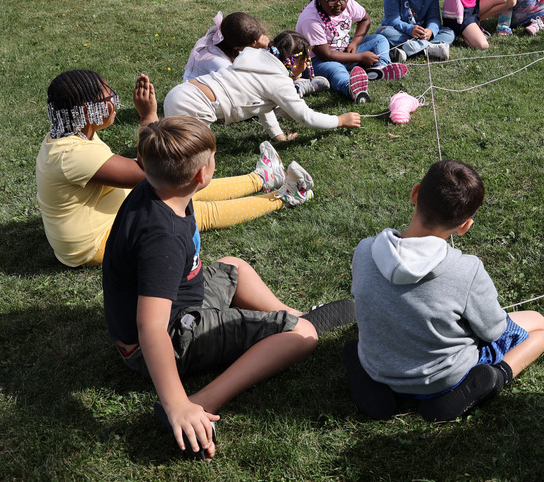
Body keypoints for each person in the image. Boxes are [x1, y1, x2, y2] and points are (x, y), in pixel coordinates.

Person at [102, 116, 355, 459]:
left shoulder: (157, 189)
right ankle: (200, 402)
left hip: (182, 303)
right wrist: (177, 404)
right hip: (170, 338)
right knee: (304, 337)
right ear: (200, 175)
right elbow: (151, 327)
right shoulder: (162, 238)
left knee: (235, 266)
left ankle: (294, 315)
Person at [36, 70, 310, 268]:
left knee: (185, 186)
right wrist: (147, 117)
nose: (114, 101)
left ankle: (260, 179)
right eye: (109, 96)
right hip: (93, 243)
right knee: (185, 203)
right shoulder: (73, 154)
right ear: (87, 110)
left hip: (111, 218)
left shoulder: (74, 135)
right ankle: (283, 197)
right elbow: (153, 174)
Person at [345, 159, 544, 422]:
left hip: (379, 368)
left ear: (415, 193)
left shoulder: (365, 249)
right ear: (465, 226)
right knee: (539, 325)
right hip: (443, 378)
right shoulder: (467, 271)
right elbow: (493, 331)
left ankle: (373, 384)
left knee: (359, 344)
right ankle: (494, 378)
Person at [164, 30, 361, 141]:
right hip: (196, 105)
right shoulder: (279, 82)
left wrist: (279, 137)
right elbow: (305, 117)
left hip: (181, 93)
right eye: (306, 61)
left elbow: (263, 105)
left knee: (170, 143)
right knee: (196, 159)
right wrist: (340, 120)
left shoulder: (255, 58)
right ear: (296, 61)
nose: (306, 65)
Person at [295, 0, 408, 103]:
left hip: (344, 49)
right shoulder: (311, 19)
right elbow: (325, 54)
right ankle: (351, 89)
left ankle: (380, 69)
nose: (338, 4)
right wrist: (359, 57)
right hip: (317, 61)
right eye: (331, 0)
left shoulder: (347, 3)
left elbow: (365, 19)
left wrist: (354, 43)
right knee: (336, 69)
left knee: (379, 39)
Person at [186, 12, 329, 99]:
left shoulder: (225, 41)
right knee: (264, 97)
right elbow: (243, 89)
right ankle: (295, 89)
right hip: (213, 95)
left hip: (228, 85)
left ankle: (292, 85)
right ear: (238, 47)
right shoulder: (219, 63)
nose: (264, 39)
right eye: (256, 41)